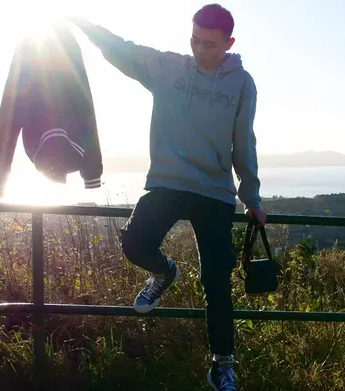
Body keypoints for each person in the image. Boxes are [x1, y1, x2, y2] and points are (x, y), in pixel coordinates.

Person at [69, 4, 266, 390]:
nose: (198, 49)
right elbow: (121, 49)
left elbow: (244, 143)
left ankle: (222, 365)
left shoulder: (242, 83)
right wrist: (83, 24)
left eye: (209, 44)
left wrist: (252, 196)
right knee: (135, 243)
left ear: (229, 43)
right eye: (193, 39)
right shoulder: (167, 67)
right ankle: (164, 271)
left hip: (214, 192)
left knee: (217, 283)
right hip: (168, 181)